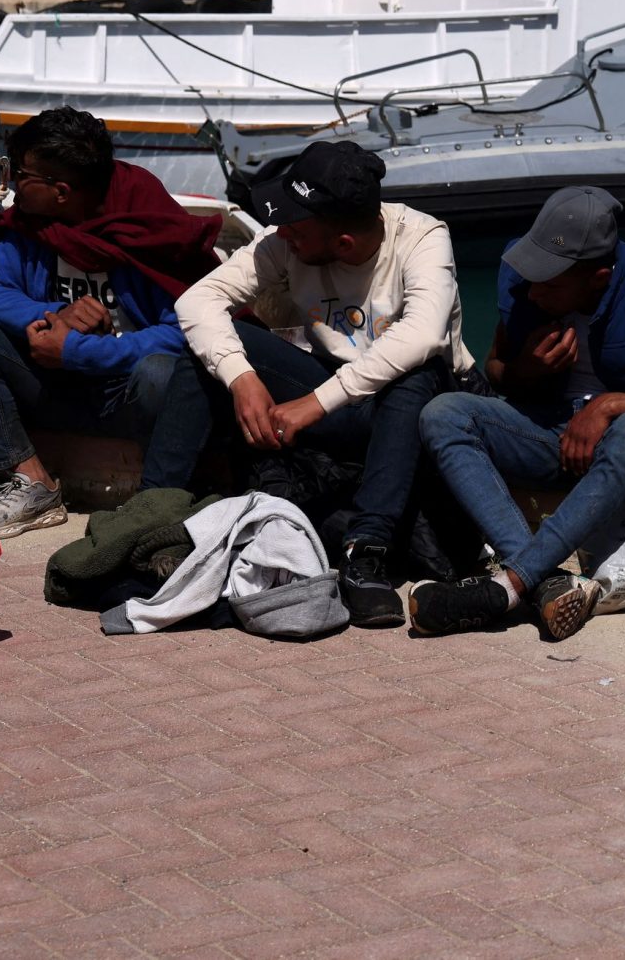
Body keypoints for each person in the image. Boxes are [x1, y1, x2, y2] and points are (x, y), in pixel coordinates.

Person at [155, 139, 473, 628]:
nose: (279, 232)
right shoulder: (288, 241)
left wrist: (317, 403)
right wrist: (242, 379)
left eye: (293, 226)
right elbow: (198, 302)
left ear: (342, 243)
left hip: (413, 414)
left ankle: (366, 554)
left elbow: (424, 333)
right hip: (338, 402)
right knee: (217, 348)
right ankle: (153, 516)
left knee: (419, 369)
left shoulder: (422, 237)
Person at [408, 186, 625, 642]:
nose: (534, 291)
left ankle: (509, 585)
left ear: (597, 275)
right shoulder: (523, 280)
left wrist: (610, 405)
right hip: (547, 432)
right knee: (443, 413)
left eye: (550, 282)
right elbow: (496, 371)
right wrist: (524, 369)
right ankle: (542, 580)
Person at [0, 108, 218, 538]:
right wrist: (50, 316)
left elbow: (187, 331)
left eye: (23, 174)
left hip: (123, 392)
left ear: (61, 191)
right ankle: (32, 483)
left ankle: (161, 495)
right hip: (50, 383)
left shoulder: (145, 220)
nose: (12, 188)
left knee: (162, 373)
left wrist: (77, 350)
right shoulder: (31, 223)